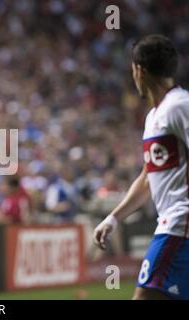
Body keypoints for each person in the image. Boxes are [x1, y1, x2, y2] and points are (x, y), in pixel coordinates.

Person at [93, 35, 189, 300]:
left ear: (139, 70)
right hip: (174, 225)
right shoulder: (154, 116)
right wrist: (114, 218)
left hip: (179, 225)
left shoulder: (180, 106)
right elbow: (149, 178)